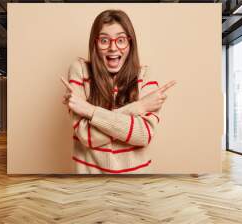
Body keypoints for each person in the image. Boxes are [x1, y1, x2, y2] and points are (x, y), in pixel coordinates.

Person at [61, 9, 176, 174]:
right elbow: (86, 136)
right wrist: (137, 108)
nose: (113, 47)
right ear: (95, 43)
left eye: (121, 40)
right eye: (104, 40)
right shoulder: (79, 70)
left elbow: (143, 136)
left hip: (135, 184)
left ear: (130, 43)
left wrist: (90, 111)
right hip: (89, 184)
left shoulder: (145, 75)